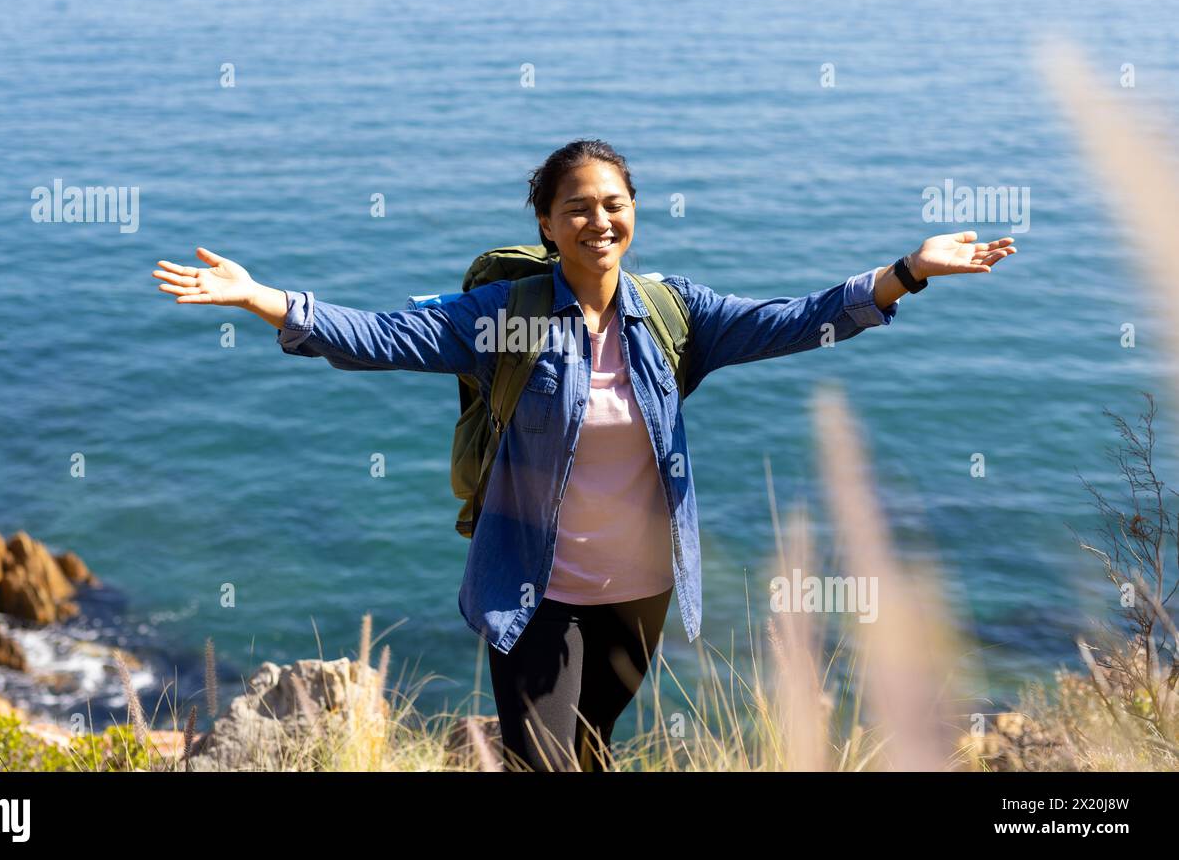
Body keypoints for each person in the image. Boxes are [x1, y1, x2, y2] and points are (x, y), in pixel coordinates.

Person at [152, 138, 1017, 771]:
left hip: (640, 593)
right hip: (535, 591)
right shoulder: (508, 314)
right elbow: (380, 334)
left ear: (633, 213)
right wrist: (261, 297)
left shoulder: (676, 312)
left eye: (614, 202)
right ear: (547, 222)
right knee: (542, 761)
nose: (599, 219)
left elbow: (798, 317)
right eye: (578, 206)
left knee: (591, 747)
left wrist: (908, 270)